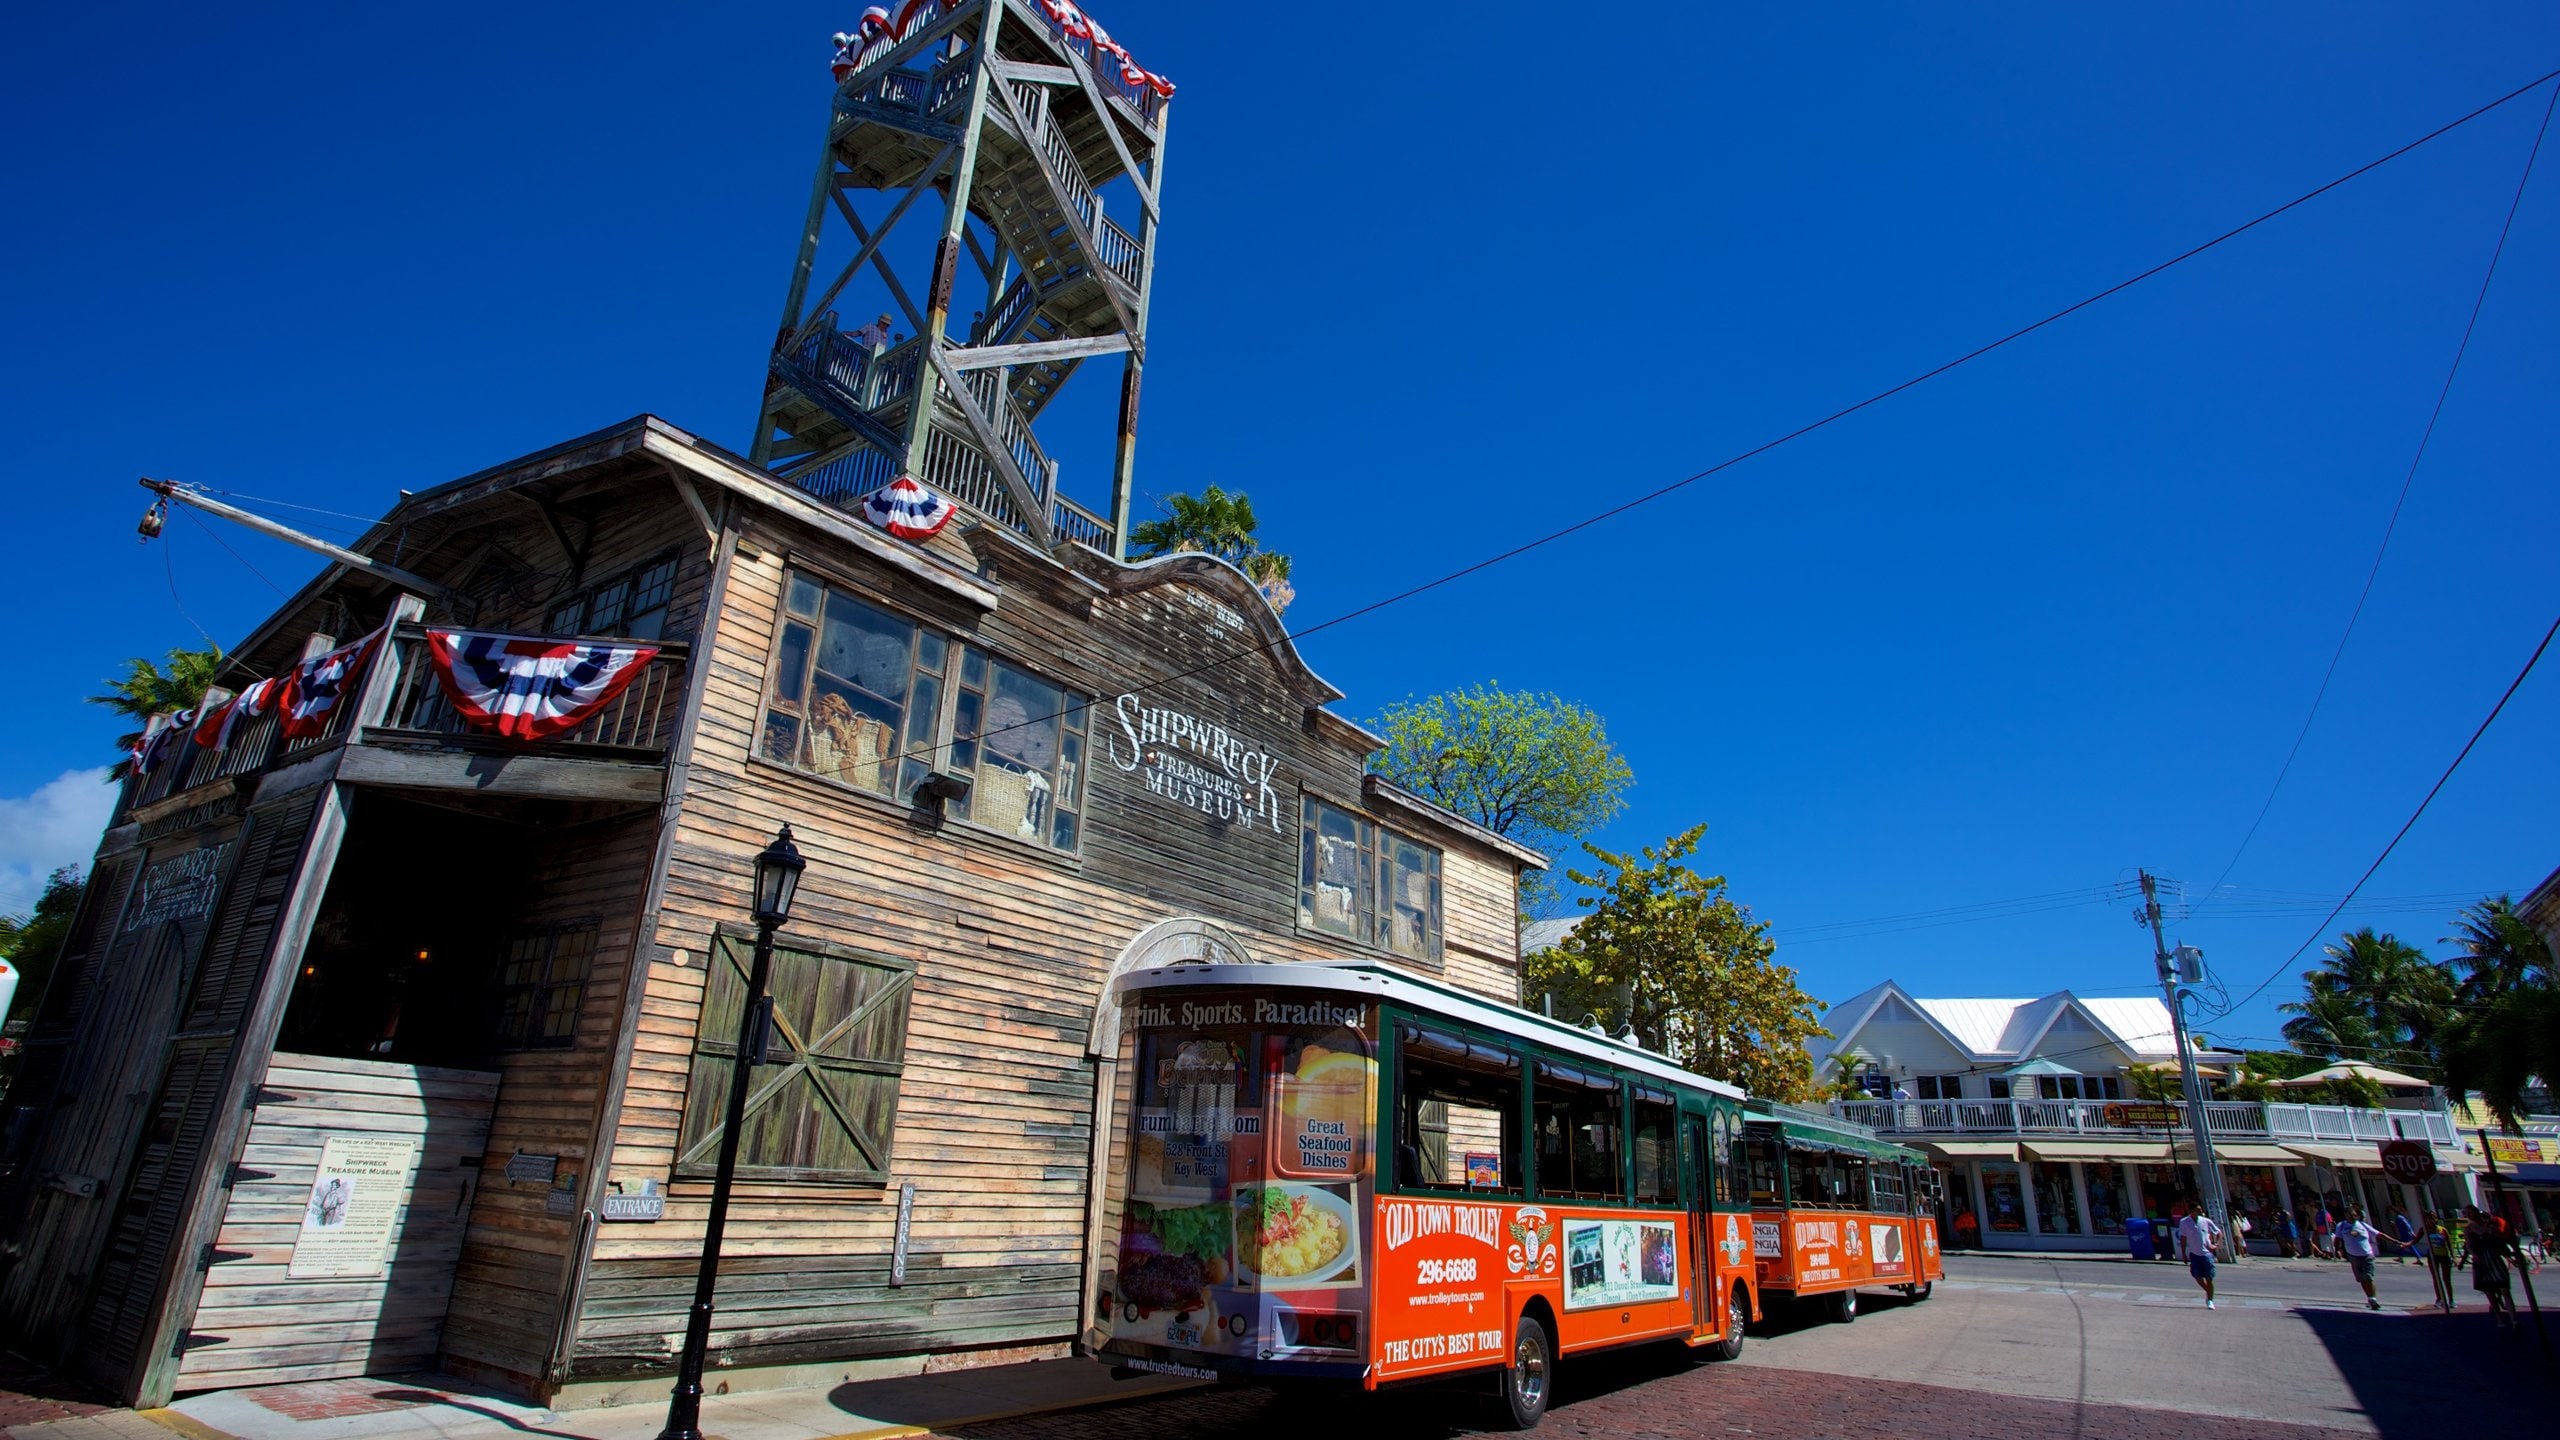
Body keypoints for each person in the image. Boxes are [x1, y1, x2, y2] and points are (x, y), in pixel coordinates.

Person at [2465, 1207, 2518, 1328]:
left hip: (2495, 1259)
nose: (2470, 1215)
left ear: (2477, 1213)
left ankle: (2514, 1319)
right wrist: (2474, 1256)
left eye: (2471, 1212)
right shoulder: (2468, 1229)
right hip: (2482, 1262)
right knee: (2489, 1292)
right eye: (2467, 1213)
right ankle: (2499, 1318)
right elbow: (2469, 1246)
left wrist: (2492, 1231)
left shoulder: (2490, 1226)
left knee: (2505, 1289)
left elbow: (2501, 1239)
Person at [2334, 1205, 2383, 1311]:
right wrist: (2336, 1250)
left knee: (2368, 1277)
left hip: (2367, 1254)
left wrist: (2396, 1242)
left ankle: (2373, 1299)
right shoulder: (2341, 1226)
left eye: (2354, 1215)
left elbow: (2378, 1234)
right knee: (2362, 1279)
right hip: (2353, 1256)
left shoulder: (2362, 1225)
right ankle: (2370, 1298)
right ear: (2346, 1215)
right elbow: (2338, 1239)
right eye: (2350, 1215)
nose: (2352, 1217)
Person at [2178, 1207, 2223, 1308]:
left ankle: (2210, 1300)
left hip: (2206, 1253)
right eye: (2197, 1210)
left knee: (2209, 1277)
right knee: (2197, 1276)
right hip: (2194, 1253)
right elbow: (2183, 1238)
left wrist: (2216, 1244)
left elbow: (2219, 1232)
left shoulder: (2206, 1221)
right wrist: (2184, 1254)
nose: (2200, 1211)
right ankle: (2208, 1291)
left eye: (2200, 1210)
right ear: (2192, 1211)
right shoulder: (2184, 1222)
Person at [2417, 1211, 2457, 1313]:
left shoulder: (2442, 1230)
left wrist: (2453, 1257)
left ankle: (2451, 1299)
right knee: (2436, 1278)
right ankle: (2439, 1299)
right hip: (2432, 1255)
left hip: (2444, 1255)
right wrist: (2405, 1244)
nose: (2430, 1221)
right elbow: (2415, 1240)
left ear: (2436, 1219)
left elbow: (2449, 1244)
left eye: (2432, 1218)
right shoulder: (2424, 1229)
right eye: (2428, 1219)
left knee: (2446, 1279)